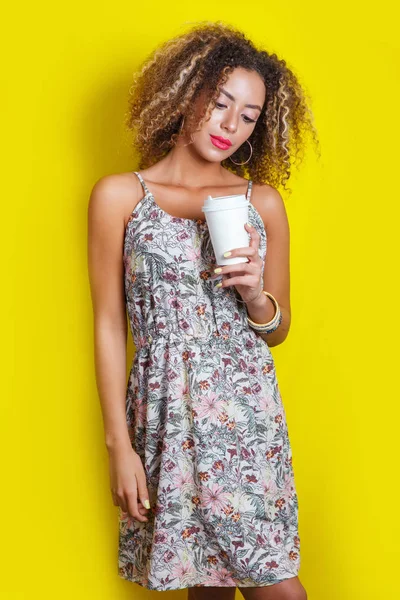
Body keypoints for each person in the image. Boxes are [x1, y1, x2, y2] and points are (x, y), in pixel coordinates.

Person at [87, 20, 318, 599]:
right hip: (165, 411)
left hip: (245, 415)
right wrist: (119, 444)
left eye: (248, 115)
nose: (230, 125)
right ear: (185, 93)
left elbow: (277, 328)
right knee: (205, 588)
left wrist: (253, 294)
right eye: (220, 103)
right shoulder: (119, 196)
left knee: (278, 588)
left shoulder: (260, 201)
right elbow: (110, 324)